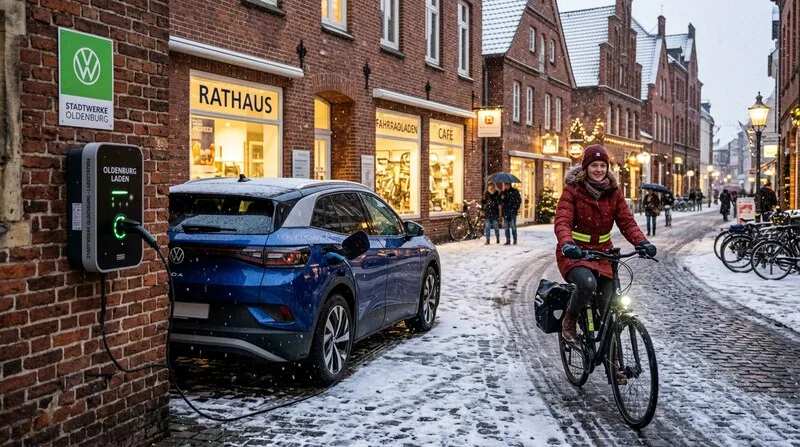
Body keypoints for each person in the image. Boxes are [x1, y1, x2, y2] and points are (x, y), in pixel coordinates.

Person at [554, 145, 657, 345]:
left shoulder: (614, 192)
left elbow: (626, 222)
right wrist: (567, 243)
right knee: (587, 284)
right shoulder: (572, 191)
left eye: (603, 165)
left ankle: (614, 361)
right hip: (576, 254)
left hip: (604, 254)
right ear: (586, 168)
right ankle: (570, 320)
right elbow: (563, 221)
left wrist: (642, 242)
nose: (599, 170)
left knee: (608, 305)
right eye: (594, 165)